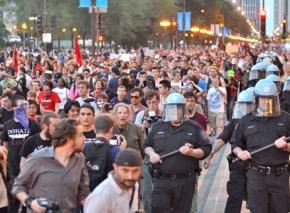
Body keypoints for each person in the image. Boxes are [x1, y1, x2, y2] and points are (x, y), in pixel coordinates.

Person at [144, 92, 212, 213]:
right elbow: (147, 146)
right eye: (171, 108)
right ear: (166, 109)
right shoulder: (157, 127)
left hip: (185, 181)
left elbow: (206, 148)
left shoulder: (194, 127)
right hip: (161, 180)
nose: (175, 111)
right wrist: (152, 154)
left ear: (183, 109)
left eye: (178, 108)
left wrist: (192, 152)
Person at [231, 79, 290, 213]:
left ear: (275, 99)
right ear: (257, 100)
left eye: (269, 99)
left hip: (279, 176)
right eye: (263, 99)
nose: (266, 102)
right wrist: (240, 153)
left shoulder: (286, 119)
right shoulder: (246, 120)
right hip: (256, 176)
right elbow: (235, 143)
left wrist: (286, 146)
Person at [12, 119, 90, 212]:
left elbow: (84, 195)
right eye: (81, 135)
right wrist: (30, 202)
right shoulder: (37, 158)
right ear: (69, 138)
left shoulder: (80, 159)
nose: (84, 139)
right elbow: (17, 186)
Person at [204, 87, 255, 213]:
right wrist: (211, 153)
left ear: (254, 105)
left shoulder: (261, 122)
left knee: (257, 199)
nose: (243, 108)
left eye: (247, 105)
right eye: (241, 105)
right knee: (235, 196)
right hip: (238, 164)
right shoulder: (236, 121)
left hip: (257, 166)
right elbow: (222, 138)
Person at [2, 95, 41, 213]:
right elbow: (5, 146)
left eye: (26, 105)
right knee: (13, 200)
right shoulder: (7, 125)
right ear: (14, 107)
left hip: (29, 167)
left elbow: (39, 146)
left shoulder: (34, 125)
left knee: (28, 200)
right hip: (12, 168)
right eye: (21, 105)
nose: (24, 107)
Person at [84, 148, 142, 213]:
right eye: (125, 170)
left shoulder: (134, 185)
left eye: (135, 171)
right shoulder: (100, 196)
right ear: (115, 168)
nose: (130, 176)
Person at [83, 114, 127, 191]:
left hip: (87, 193)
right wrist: (122, 151)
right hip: (108, 192)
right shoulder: (115, 150)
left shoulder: (84, 147)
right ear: (111, 129)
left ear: (94, 129)